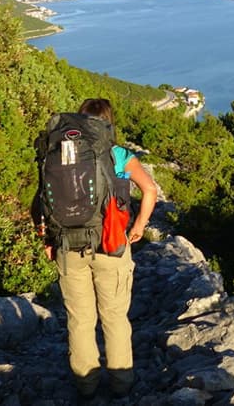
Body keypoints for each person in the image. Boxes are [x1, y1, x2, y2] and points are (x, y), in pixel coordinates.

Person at [43, 98, 158, 398]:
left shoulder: (59, 152)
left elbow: (41, 199)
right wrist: (139, 227)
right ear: (108, 123)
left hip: (68, 246)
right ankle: (121, 386)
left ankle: (86, 386)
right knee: (115, 317)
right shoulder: (118, 154)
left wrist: (47, 239)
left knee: (80, 320)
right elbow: (150, 189)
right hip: (112, 244)